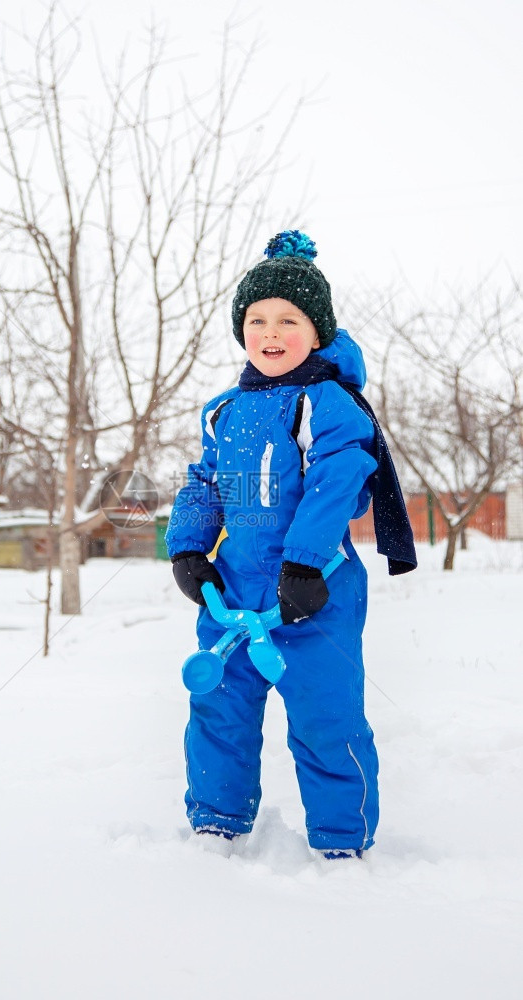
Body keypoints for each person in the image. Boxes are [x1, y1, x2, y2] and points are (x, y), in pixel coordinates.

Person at [165, 230, 416, 860]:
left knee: (325, 718)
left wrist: (304, 561)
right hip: (235, 594)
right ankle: (216, 825)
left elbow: (339, 478)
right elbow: (205, 480)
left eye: (288, 319)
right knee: (218, 712)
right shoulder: (225, 409)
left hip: (315, 594)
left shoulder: (327, 402)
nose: (270, 332)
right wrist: (189, 549)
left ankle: (341, 842)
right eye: (256, 319)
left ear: (316, 329)